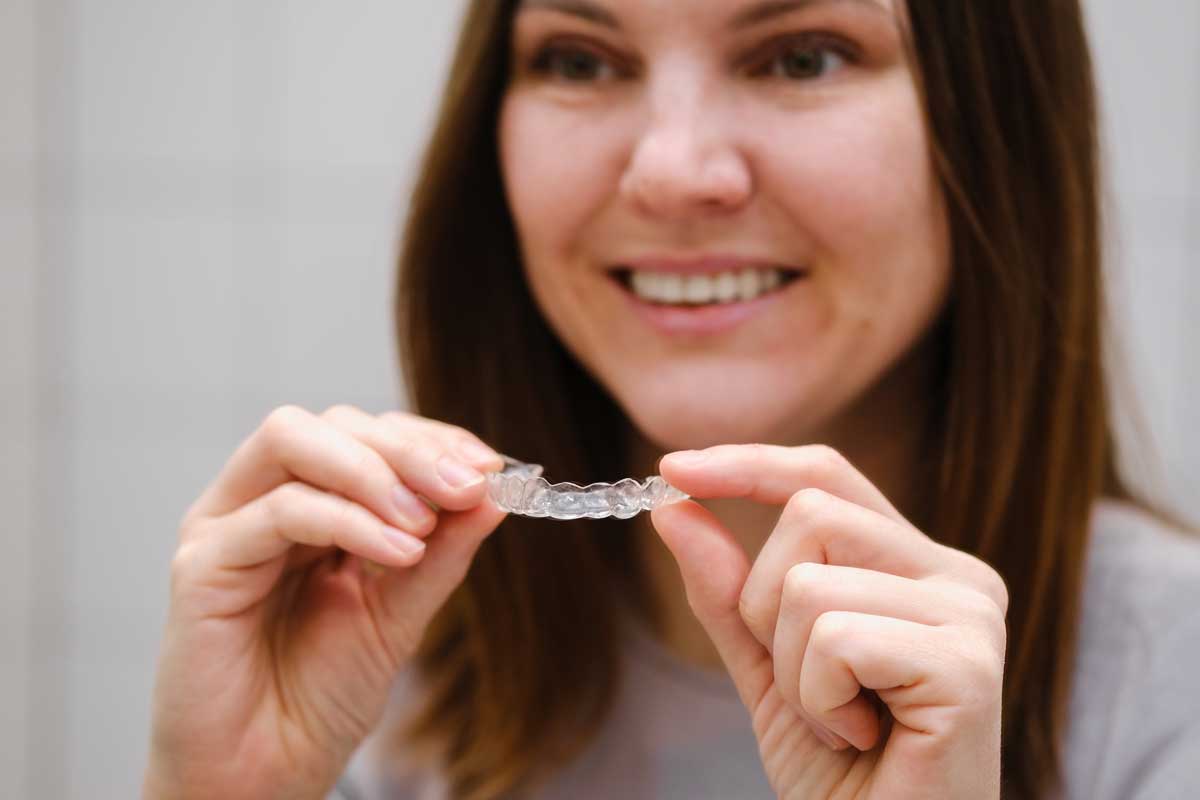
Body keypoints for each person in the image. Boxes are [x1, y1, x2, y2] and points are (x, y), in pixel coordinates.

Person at [142, 1, 1200, 798]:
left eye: (802, 55)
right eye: (580, 58)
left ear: (997, 129)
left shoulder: (1173, 688)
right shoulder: (382, 660)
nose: (670, 169)